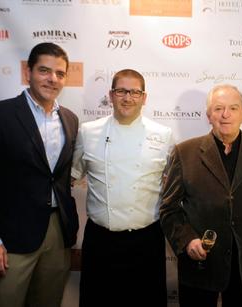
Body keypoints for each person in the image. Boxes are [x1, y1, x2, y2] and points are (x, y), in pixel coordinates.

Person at [0, 42, 79, 307]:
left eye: (60, 73)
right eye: (44, 71)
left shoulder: (70, 119)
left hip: (57, 234)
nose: (52, 79)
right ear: (28, 73)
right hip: (10, 237)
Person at [160, 84, 242, 307]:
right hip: (200, 265)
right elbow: (169, 209)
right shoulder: (184, 152)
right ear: (208, 115)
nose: (225, 115)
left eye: (233, 108)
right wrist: (188, 240)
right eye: (218, 109)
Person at [72, 69, 174, 307]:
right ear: (111, 94)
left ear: (144, 97)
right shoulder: (88, 132)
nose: (127, 98)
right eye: (121, 91)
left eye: (134, 92)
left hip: (146, 242)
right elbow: (69, 177)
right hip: (101, 242)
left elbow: (175, 186)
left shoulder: (163, 135)